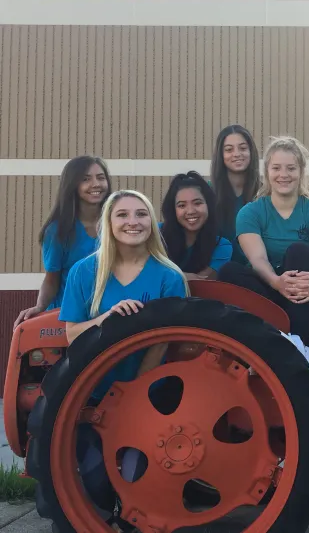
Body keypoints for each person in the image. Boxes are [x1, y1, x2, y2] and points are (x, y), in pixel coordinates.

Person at [58, 190, 189, 518]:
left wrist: (134, 394)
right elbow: (72, 334)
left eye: (141, 214)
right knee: (97, 486)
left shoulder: (169, 276)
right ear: (109, 223)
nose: (133, 221)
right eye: (123, 215)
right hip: (93, 394)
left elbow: (164, 343)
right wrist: (107, 318)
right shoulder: (85, 272)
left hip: (147, 396)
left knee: (134, 483)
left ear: (151, 223)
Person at [218, 136, 309, 348]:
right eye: (277, 168)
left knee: (299, 251)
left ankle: (298, 345)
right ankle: (272, 333)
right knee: (228, 271)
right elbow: (258, 258)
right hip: (269, 293)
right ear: (267, 172)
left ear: (300, 172)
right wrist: (276, 282)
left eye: (291, 168)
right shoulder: (250, 213)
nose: (284, 175)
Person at [14, 156, 112, 328]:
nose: (96, 184)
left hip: (108, 315)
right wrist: (40, 307)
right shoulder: (57, 231)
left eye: (101, 177)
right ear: (72, 184)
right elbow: (52, 280)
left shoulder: (119, 224)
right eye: (85, 179)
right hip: (68, 318)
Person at [160, 171, 233, 280]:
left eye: (197, 203)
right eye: (182, 205)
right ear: (172, 210)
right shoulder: (155, 234)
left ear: (209, 205)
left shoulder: (222, 246)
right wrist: (184, 276)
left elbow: (200, 281)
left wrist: (165, 275)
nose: (190, 211)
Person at [209, 124, 261, 265]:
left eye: (243, 148)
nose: (237, 154)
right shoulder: (207, 193)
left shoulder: (265, 192)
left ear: (251, 152)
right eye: (229, 150)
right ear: (221, 155)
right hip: (219, 271)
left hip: (258, 271)